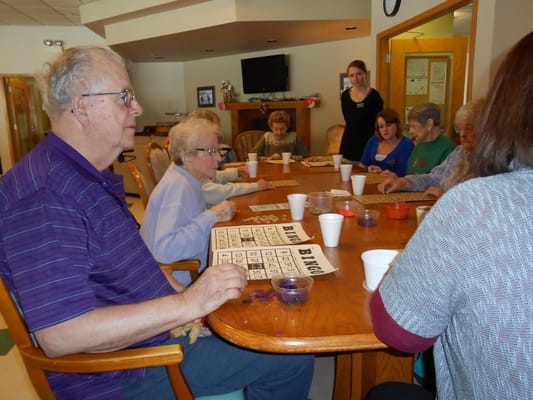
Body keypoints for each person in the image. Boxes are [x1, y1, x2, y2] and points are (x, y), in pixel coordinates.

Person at [0, 46, 314, 400]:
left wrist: (189, 301)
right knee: (289, 355)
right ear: (81, 106)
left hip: (153, 339)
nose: (138, 108)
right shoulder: (45, 194)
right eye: (124, 97)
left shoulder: (83, 176)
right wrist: (188, 304)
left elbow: (138, 264)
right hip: (124, 374)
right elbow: (61, 336)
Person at [368, 31, 533, 400]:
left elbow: (399, 332)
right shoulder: (457, 160)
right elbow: (434, 177)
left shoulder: (476, 202)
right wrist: (405, 179)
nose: (465, 139)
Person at [140, 117, 239, 286]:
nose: (219, 158)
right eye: (211, 151)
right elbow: (165, 249)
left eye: (217, 151)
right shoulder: (178, 186)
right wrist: (212, 215)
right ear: (186, 157)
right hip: (179, 285)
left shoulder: (186, 178)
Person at [377, 99, 485, 198]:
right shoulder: (460, 152)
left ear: (485, 130)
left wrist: (446, 197)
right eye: (460, 129)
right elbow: (435, 178)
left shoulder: (489, 163)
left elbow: (478, 201)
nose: (462, 134)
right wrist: (403, 182)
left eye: (469, 129)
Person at [187, 108, 274, 206]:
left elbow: (213, 178)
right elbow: (216, 192)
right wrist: (255, 186)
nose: (219, 133)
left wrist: (237, 172)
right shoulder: (192, 156)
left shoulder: (195, 153)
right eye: (216, 129)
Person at [339, 59, 384, 163]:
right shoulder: (345, 96)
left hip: (368, 144)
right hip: (348, 144)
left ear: (365, 74)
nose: (356, 78)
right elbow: (348, 120)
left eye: (359, 74)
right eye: (352, 75)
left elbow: (379, 123)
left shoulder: (374, 96)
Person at [358, 108, 414, 177]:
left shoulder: (406, 145)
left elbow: (403, 175)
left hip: (395, 185)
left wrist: (383, 173)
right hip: (371, 182)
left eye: (388, 125)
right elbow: (362, 165)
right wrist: (368, 169)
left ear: (397, 125)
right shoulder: (373, 140)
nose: (385, 130)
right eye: (381, 127)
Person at [404, 102, 456, 175]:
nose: (410, 131)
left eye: (414, 126)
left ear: (429, 124)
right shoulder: (418, 146)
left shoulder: (449, 150)